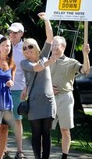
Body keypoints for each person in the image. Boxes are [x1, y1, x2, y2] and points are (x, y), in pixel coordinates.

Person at [0, 1, 27, 159]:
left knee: (16, 121)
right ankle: (4, 151)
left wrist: (26, 88)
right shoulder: (4, 43)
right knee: (1, 125)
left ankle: (20, 151)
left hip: (17, 89)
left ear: (21, 34)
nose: (12, 35)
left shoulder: (27, 47)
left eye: (15, 33)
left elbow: (31, 69)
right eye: (10, 32)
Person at [20, 12, 57, 159]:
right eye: (24, 48)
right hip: (34, 102)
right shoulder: (25, 63)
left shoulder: (43, 55)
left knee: (46, 134)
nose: (27, 50)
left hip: (48, 101)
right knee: (36, 134)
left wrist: (47, 20)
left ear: (35, 46)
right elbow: (37, 68)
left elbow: (50, 38)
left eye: (29, 46)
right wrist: (50, 61)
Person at [50, 36, 90, 159]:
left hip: (65, 98)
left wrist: (85, 54)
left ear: (63, 46)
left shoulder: (71, 62)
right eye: (52, 44)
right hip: (48, 98)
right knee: (45, 129)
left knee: (65, 130)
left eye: (56, 44)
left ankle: (64, 156)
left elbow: (85, 70)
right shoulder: (46, 61)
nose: (53, 47)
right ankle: (43, 154)